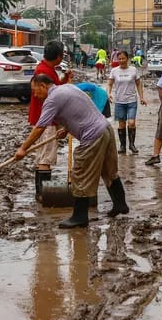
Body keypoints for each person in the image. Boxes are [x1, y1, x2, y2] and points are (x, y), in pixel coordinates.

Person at [17, 74, 129, 228]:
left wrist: (23, 148)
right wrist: (67, 128)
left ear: (43, 86)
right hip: (105, 129)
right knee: (109, 170)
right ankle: (120, 204)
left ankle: (80, 216)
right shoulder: (67, 88)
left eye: (35, 90)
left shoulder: (52, 99)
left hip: (93, 136)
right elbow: (80, 111)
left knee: (80, 173)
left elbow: (40, 127)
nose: (35, 95)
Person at [28, 40, 70, 200]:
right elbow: (53, 97)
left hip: (44, 118)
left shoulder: (48, 70)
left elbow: (55, 89)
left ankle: (40, 192)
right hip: (46, 120)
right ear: (58, 57)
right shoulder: (43, 71)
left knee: (42, 155)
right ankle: (43, 194)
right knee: (46, 156)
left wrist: (64, 79)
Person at [107, 50, 146, 154]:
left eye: (123, 58)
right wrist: (109, 93)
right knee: (121, 124)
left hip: (131, 101)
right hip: (119, 101)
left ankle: (132, 145)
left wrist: (141, 97)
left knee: (131, 122)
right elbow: (110, 84)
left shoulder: (133, 70)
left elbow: (138, 84)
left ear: (127, 59)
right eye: (119, 59)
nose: (121, 60)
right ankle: (123, 146)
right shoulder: (114, 71)